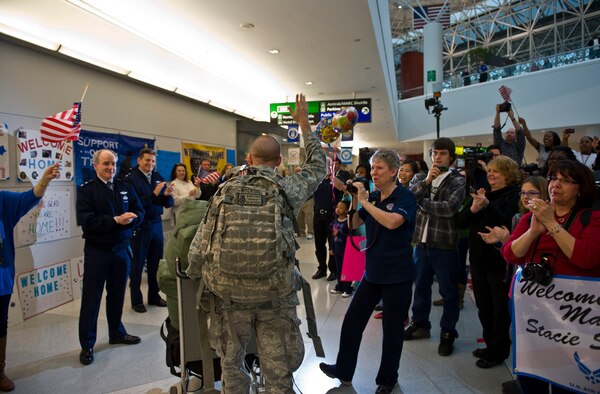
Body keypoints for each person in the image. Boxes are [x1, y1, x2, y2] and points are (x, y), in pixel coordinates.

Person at [188, 93, 326, 393]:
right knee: (278, 372)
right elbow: (318, 166)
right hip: (274, 294)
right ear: (278, 162)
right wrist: (304, 126)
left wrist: (193, 271)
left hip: (229, 295)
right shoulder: (288, 188)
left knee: (232, 368)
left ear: (248, 160)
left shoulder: (225, 190)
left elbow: (200, 244)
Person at [319, 148, 416, 394]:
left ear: (394, 171)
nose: (374, 173)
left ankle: (387, 379)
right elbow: (355, 224)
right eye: (372, 168)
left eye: (380, 168)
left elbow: (393, 222)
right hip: (372, 273)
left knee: (392, 330)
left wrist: (365, 202)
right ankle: (343, 370)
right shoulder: (372, 198)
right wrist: (355, 199)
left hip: (397, 275)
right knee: (352, 322)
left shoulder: (405, 197)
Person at [501, 160, 600, 393]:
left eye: (566, 181)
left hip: (572, 310)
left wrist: (551, 224)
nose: (556, 184)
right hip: (531, 306)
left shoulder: (592, 218)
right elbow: (510, 254)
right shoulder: (530, 217)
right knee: (531, 373)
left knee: (568, 375)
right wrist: (535, 229)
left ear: (580, 188)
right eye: (554, 178)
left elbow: (587, 259)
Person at [76, 149, 144, 366]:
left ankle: (116, 332)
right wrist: (115, 221)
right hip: (98, 251)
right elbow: (87, 221)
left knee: (116, 296)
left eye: (113, 164)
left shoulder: (124, 186)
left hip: (121, 250)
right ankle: (87, 344)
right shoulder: (87, 190)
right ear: (96, 165)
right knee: (91, 298)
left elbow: (139, 211)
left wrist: (131, 220)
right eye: (105, 164)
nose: (110, 168)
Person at [455, 156, 521, 369]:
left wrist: (487, 205)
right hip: (478, 260)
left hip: (499, 262)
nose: (491, 175)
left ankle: (498, 351)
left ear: (508, 174)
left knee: (499, 310)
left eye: (497, 171)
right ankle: (491, 345)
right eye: (490, 171)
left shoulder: (514, 196)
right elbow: (461, 221)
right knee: (483, 307)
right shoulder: (484, 196)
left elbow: (508, 223)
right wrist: (474, 207)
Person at [404, 137, 466, 357]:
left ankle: (448, 332)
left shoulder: (457, 180)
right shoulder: (422, 176)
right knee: (420, 287)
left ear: (451, 157)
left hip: (445, 244)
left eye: (442, 154)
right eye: (435, 153)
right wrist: (427, 182)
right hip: (421, 242)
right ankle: (420, 324)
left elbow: (449, 208)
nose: (437, 157)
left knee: (448, 292)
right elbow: (408, 198)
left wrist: (422, 204)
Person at [0, 162, 59, 390]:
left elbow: (28, 198)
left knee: (0, 324)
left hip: (1, 280)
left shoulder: (3, 201)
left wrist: (44, 180)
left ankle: (0, 370)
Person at [125, 148, 174, 313]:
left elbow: (168, 204)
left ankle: (154, 295)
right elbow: (135, 204)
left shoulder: (158, 177)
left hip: (156, 224)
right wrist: (153, 195)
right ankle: (136, 300)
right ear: (139, 160)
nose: (150, 164)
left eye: (153, 161)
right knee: (137, 264)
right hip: (140, 226)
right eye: (147, 160)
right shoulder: (131, 179)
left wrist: (167, 194)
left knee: (155, 263)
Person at [329, 200, 352, 298]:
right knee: (339, 269)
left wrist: (340, 233)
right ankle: (340, 286)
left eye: (341, 207)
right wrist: (331, 248)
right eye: (337, 207)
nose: (338, 209)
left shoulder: (348, 222)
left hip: (346, 250)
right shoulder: (334, 221)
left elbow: (349, 236)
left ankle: (347, 288)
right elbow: (332, 236)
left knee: (346, 269)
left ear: (347, 210)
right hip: (337, 249)